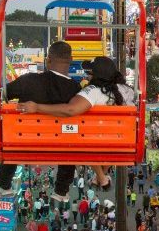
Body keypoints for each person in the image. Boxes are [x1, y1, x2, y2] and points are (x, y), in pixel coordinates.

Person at [19, 56, 137, 188]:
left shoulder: (94, 91)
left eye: (89, 73)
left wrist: (37, 107)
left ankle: (101, 177)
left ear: (96, 75)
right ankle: (101, 176)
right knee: (98, 135)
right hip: (123, 140)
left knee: (79, 130)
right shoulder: (127, 90)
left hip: (96, 141)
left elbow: (70, 110)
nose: (88, 77)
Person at [2, 41, 81, 199]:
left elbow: (4, 95)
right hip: (63, 143)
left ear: (48, 60)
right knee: (72, 138)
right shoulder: (76, 89)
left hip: (26, 139)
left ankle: (3, 182)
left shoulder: (29, 80)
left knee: (12, 134)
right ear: (70, 60)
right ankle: (61, 189)